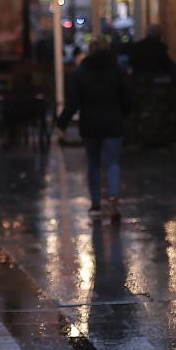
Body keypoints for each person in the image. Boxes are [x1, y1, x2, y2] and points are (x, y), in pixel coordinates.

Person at [56, 38, 132, 221]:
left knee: (93, 163)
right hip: (113, 122)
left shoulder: (80, 73)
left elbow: (73, 103)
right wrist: (126, 115)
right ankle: (113, 196)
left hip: (90, 123)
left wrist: (62, 123)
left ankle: (96, 203)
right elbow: (128, 97)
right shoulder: (119, 71)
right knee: (113, 162)